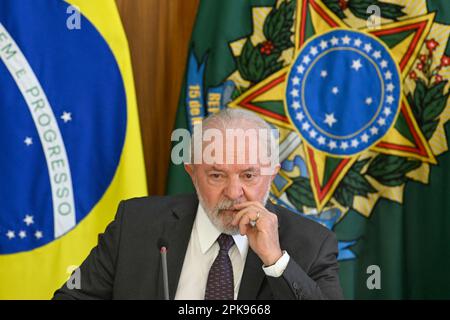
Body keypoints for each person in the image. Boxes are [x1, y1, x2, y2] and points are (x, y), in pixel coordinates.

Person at [53, 108, 343, 300]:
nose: (234, 192)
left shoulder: (311, 245)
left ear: (272, 174)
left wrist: (276, 261)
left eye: (249, 175)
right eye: (217, 175)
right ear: (192, 173)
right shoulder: (136, 225)